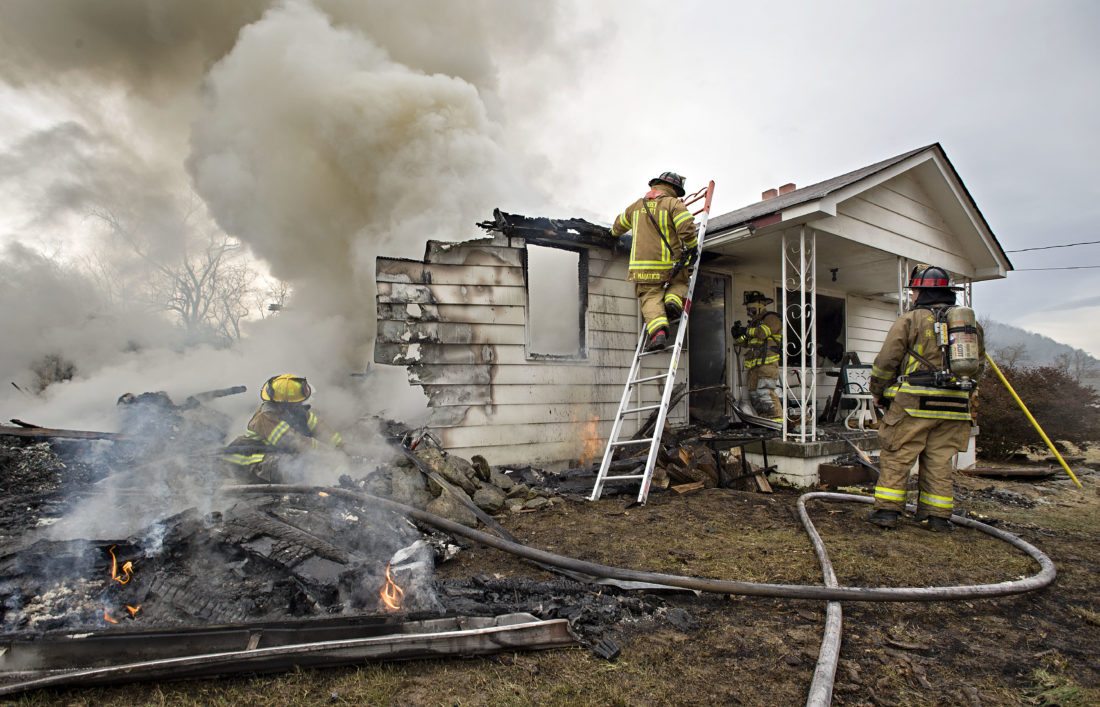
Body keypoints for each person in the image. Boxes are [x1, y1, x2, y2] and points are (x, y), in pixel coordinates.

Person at [866, 265, 984, 531]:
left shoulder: (910, 320)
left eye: (914, 291)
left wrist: (878, 391)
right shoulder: (968, 325)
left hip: (914, 404)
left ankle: (887, 512)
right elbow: (978, 365)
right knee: (940, 462)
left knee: (898, 455)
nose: (912, 295)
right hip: (955, 406)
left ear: (920, 292)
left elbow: (886, 361)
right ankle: (938, 517)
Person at [610, 172, 698, 351]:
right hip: (669, 265)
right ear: (674, 189)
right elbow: (687, 228)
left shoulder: (636, 206)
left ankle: (658, 334)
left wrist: (611, 233)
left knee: (650, 297)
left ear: (655, 185)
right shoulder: (673, 204)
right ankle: (672, 301)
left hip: (641, 268)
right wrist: (692, 247)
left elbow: (617, 227)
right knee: (680, 281)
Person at [222, 374, 344, 483]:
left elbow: (321, 429)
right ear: (285, 403)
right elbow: (293, 442)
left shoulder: (295, 412)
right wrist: (328, 454)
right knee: (294, 466)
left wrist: (343, 447)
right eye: (296, 402)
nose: (299, 404)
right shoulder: (265, 417)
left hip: (273, 456)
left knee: (299, 462)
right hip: (250, 463)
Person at [731, 291, 784, 420]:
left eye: (752, 308)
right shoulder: (753, 324)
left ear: (761, 305)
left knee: (765, 392)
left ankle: (778, 422)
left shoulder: (772, 318)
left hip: (767, 364)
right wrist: (737, 335)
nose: (749, 312)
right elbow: (746, 343)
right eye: (748, 309)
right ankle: (765, 421)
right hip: (755, 366)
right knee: (754, 395)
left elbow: (762, 333)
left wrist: (746, 330)